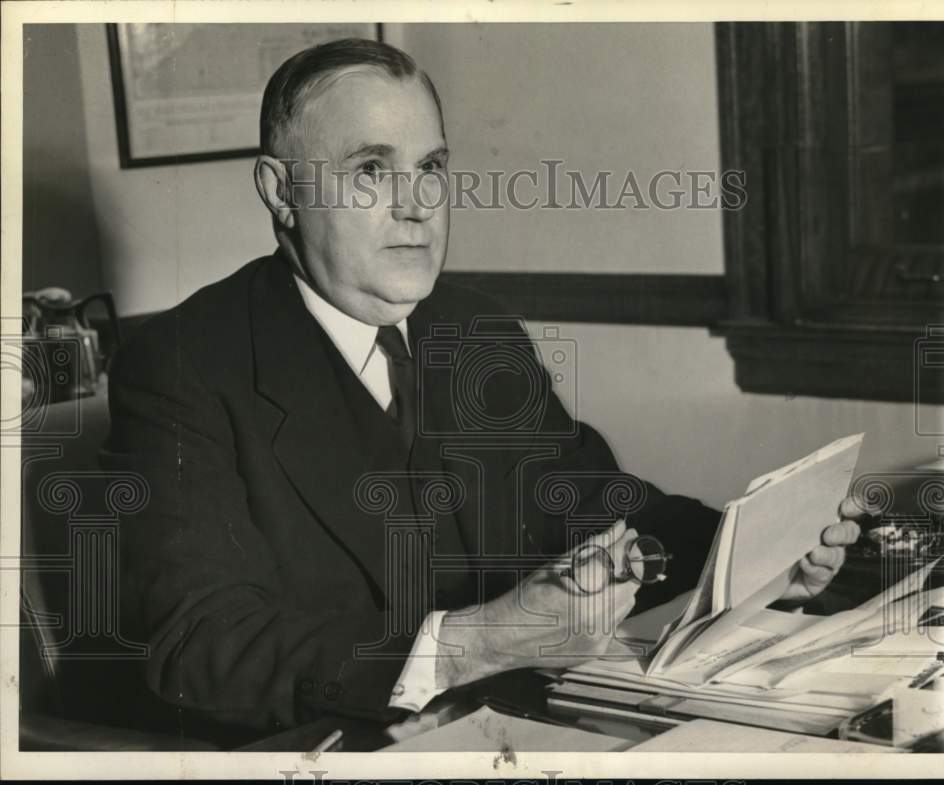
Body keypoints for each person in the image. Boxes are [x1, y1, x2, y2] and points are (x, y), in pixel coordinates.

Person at [102, 38, 861, 736]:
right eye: (372, 169)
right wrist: (476, 643)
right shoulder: (183, 365)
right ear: (280, 191)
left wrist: (757, 556)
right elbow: (198, 645)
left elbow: (596, 503)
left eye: (431, 167)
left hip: (520, 731)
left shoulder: (474, 331)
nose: (417, 205)